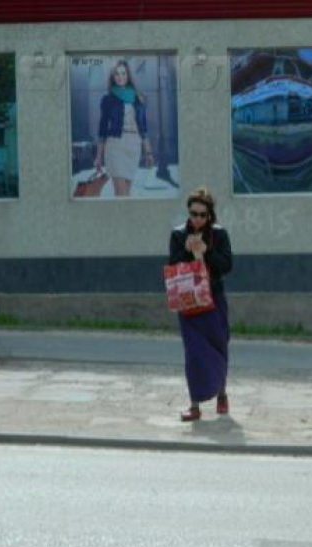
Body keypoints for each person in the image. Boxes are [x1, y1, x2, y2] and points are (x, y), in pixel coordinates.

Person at [168, 187, 233, 421]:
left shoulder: (219, 235)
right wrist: (186, 252)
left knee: (219, 346)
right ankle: (194, 404)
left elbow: (227, 265)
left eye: (202, 215)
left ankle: (222, 394)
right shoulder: (178, 235)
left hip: (214, 299)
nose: (197, 219)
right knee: (194, 352)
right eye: (193, 214)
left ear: (210, 216)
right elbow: (171, 267)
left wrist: (206, 253)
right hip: (189, 301)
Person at [94, 60, 154, 197]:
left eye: (123, 73)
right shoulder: (108, 99)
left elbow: (143, 127)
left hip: (134, 145)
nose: (120, 77)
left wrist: (148, 152)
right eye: (117, 74)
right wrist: (98, 156)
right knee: (120, 193)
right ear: (113, 77)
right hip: (115, 145)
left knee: (127, 194)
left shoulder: (138, 98)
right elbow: (102, 129)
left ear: (128, 75)